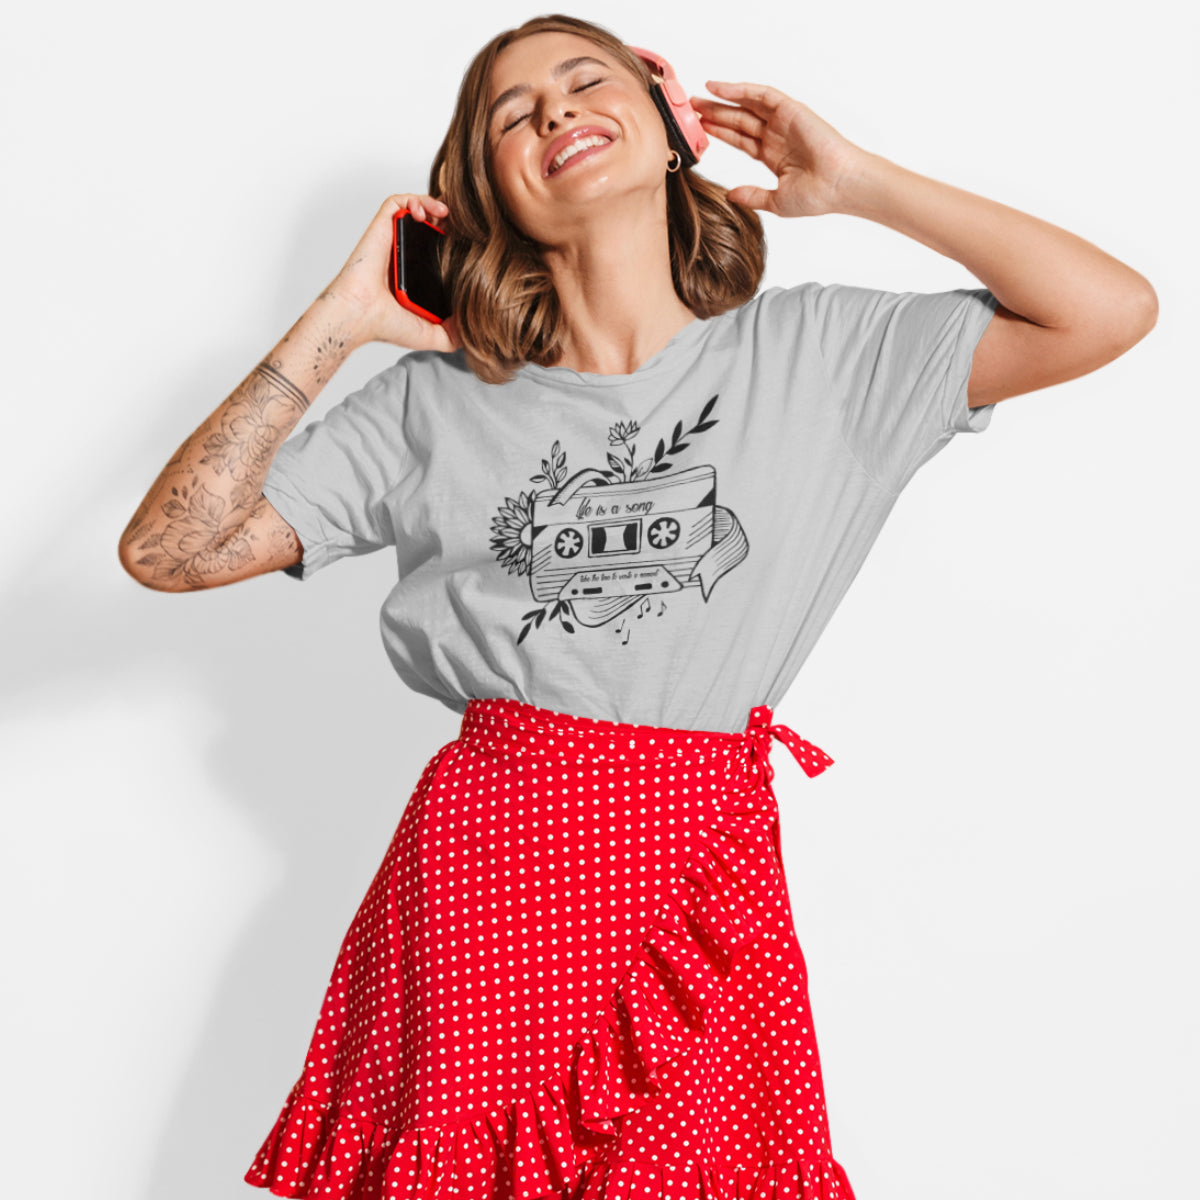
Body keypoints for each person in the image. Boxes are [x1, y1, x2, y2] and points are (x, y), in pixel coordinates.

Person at [118, 14, 1156, 1200]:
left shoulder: (826, 354)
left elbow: (1108, 310)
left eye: (583, 82)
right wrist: (345, 315)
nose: (555, 111)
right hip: (488, 884)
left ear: (670, 122)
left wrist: (858, 181)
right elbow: (169, 550)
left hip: (698, 873)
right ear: (487, 196)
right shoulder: (427, 407)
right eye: (512, 116)